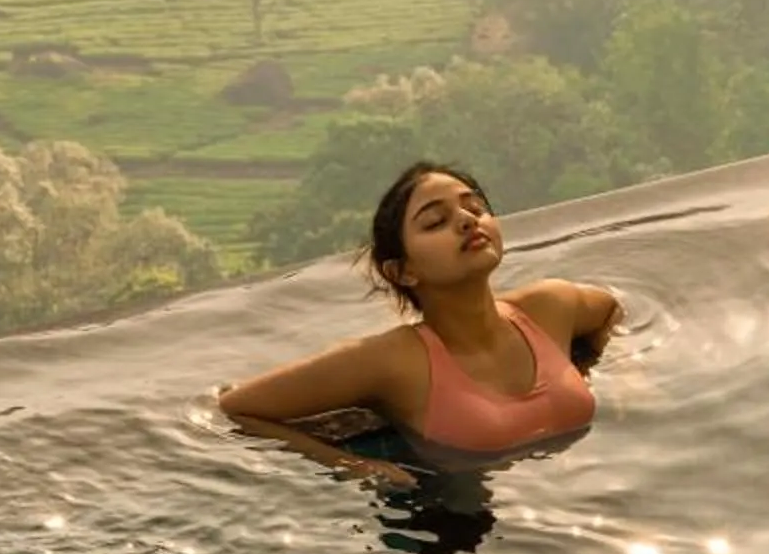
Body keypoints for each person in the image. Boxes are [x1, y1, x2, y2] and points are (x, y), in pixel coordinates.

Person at [217, 162, 623, 487]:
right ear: (404, 271)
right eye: (435, 222)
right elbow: (236, 407)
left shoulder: (550, 306)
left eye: (475, 207)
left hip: (595, 497)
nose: (466, 220)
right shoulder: (394, 360)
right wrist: (349, 465)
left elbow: (610, 312)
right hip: (469, 533)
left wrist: (589, 367)